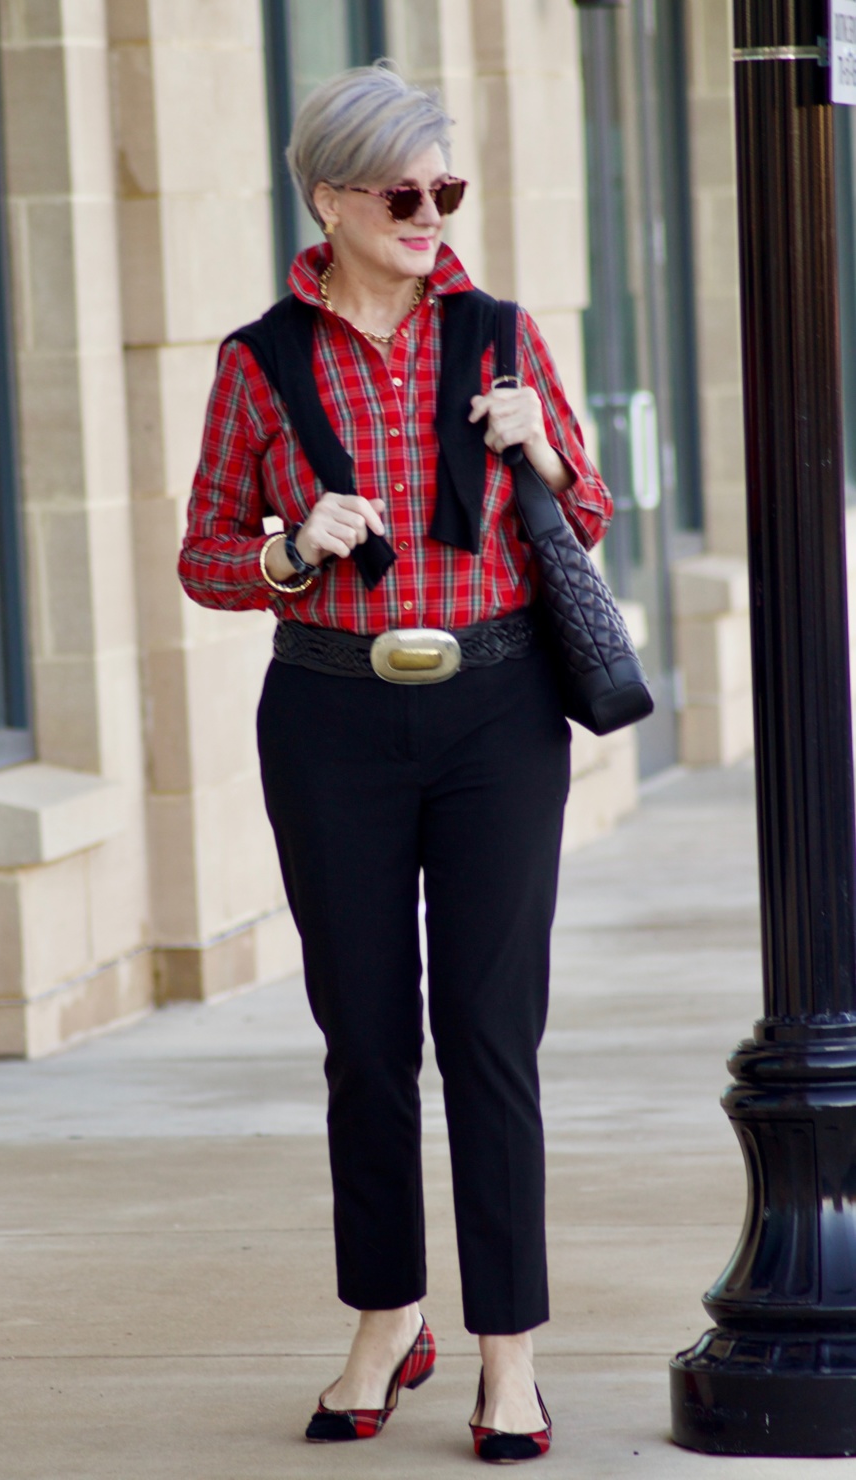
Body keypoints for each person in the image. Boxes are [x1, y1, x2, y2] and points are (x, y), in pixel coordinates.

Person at [178, 62, 612, 1464]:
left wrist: (541, 449)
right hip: (329, 720)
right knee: (364, 1042)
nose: (431, 214)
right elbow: (201, 558)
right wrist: (287, 545)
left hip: (497, 714)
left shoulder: (498, 333)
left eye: (448, 190)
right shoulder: (259, 363)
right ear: (331, 199)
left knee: (491, 1039)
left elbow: (590, 512)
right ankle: (387, 1319)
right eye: (403, 193)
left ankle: (508, 1357)